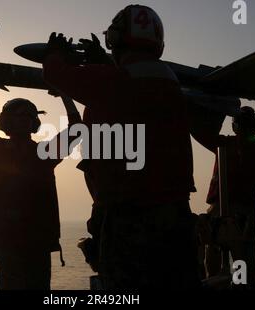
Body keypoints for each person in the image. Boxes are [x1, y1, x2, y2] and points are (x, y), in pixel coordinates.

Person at [43, 5, 200, 289]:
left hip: (130, 213)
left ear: (114, 39)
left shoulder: (116, 80)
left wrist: (54, 54)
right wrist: (102, 61)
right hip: (176, 214)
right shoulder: (168, 82)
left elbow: (57, 75)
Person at [0, 82, 81, 290]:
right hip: (9, 240)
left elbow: (76, 130)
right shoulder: (0, 150)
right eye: (18, 117)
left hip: (34, 240)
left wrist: (66, 95)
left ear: (32, 123)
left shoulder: (40, 153)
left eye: (26, 117)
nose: (22, 122)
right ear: (7, 122)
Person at [191, 106, 255, 289]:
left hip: (230, 210)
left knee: (224, 255)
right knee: (241, 258)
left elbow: (199, 132)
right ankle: (238, 285)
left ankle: (224, 284)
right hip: (241, 210)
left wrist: (217, 112)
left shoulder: (230, 144)